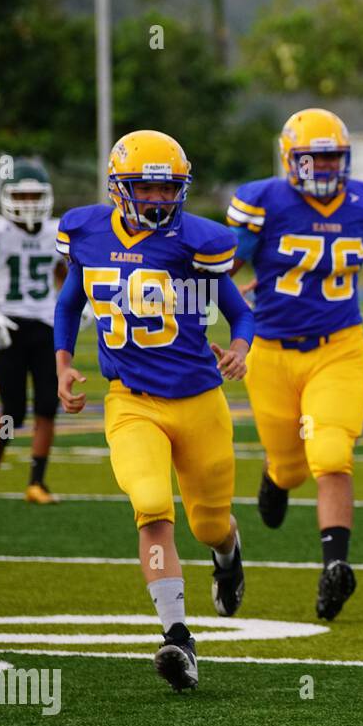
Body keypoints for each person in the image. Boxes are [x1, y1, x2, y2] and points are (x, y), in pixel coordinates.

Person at [54, 130, 254, 692]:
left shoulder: (200, 241)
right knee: (150, 504)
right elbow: (70, 302)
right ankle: (177, 637)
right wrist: (64, 365)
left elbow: (240, 313)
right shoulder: (86, 232)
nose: (160, 200)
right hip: (131, 402)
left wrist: (240, 348)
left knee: (209, 523)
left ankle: (229, 551)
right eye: (147, 187)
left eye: (169, 190)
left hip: (200, 403)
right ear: (119, 187)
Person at [225, 108, 363, 621]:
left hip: (340, 349)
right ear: (291, 159)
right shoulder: (265, 202)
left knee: (330, 452)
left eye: (333, 156)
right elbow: (225, 267)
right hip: (272, 352)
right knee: (290, 466)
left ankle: (335, 568)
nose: (326, 166)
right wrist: (225, 305)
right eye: (315, 156)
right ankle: (275, 476)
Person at [0, 158, 68, 502]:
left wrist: (78, 305)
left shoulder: (56, 232)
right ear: (8, 197)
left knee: (48, 404)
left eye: (35, 196)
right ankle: (2, 438)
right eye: (21, 196)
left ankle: (37, 481)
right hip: (7, 325)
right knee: (14, 411)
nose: (29, 203)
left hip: (47, 324)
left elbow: (66, 277)